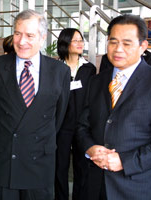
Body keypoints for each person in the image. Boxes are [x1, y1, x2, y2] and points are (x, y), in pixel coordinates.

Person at [0, 9, 71, 200]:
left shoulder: (60, 71)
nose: (22, 41)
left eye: (30, 35)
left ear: (43, 37)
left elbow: (58, 117)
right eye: (17, 33)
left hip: (39, 163)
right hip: (3, 162)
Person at [76, 14, 151, 200]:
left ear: (143, 46)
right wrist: (89, 148)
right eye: (113, 42)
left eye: (127, 43)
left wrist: (125, 161)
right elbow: (82, 125)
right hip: (95, 185)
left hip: (136, 187)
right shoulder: (97, 81)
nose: (118, 49)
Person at [55, 28, 96, 200]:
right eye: (76, 40)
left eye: (81, 40)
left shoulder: (89, 69)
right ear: (65, 43)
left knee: (82, 166)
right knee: (59, 166)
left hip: (82, 126)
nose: (80, 43)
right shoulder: (56, 68)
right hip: (61, 125)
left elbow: (91, 98)